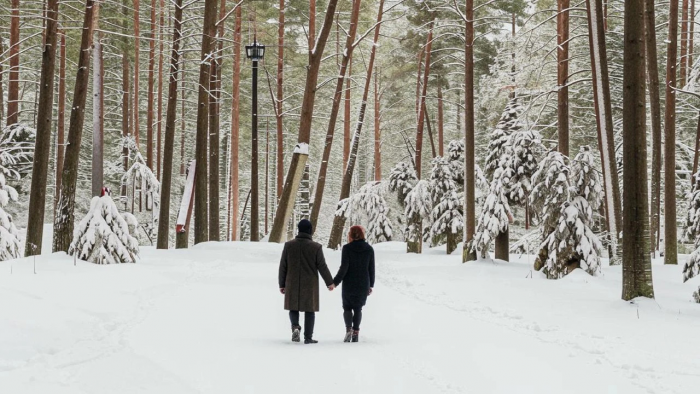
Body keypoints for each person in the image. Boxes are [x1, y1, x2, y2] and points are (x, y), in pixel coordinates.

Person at [278, 219, 335, 344]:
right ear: (310, 230)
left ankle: (295, 327)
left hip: (292, 281)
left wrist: (282, 284)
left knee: (293, 307)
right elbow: (322, 266)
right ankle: (308, 337)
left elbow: (283, 266)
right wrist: (330, 282)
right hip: (310, 284)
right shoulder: (316, 247)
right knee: (310, 310)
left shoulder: (289, 245)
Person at [333, 225, 375, 343]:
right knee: (358, 308)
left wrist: (335, 282)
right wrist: (371, 285)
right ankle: (356, 332)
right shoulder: (369, 249)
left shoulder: (347, 248)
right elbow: (371, 269)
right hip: (363, 283)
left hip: (349, 282)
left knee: (347, 307)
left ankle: (348, 329)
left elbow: (344, 268)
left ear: (351, 235)